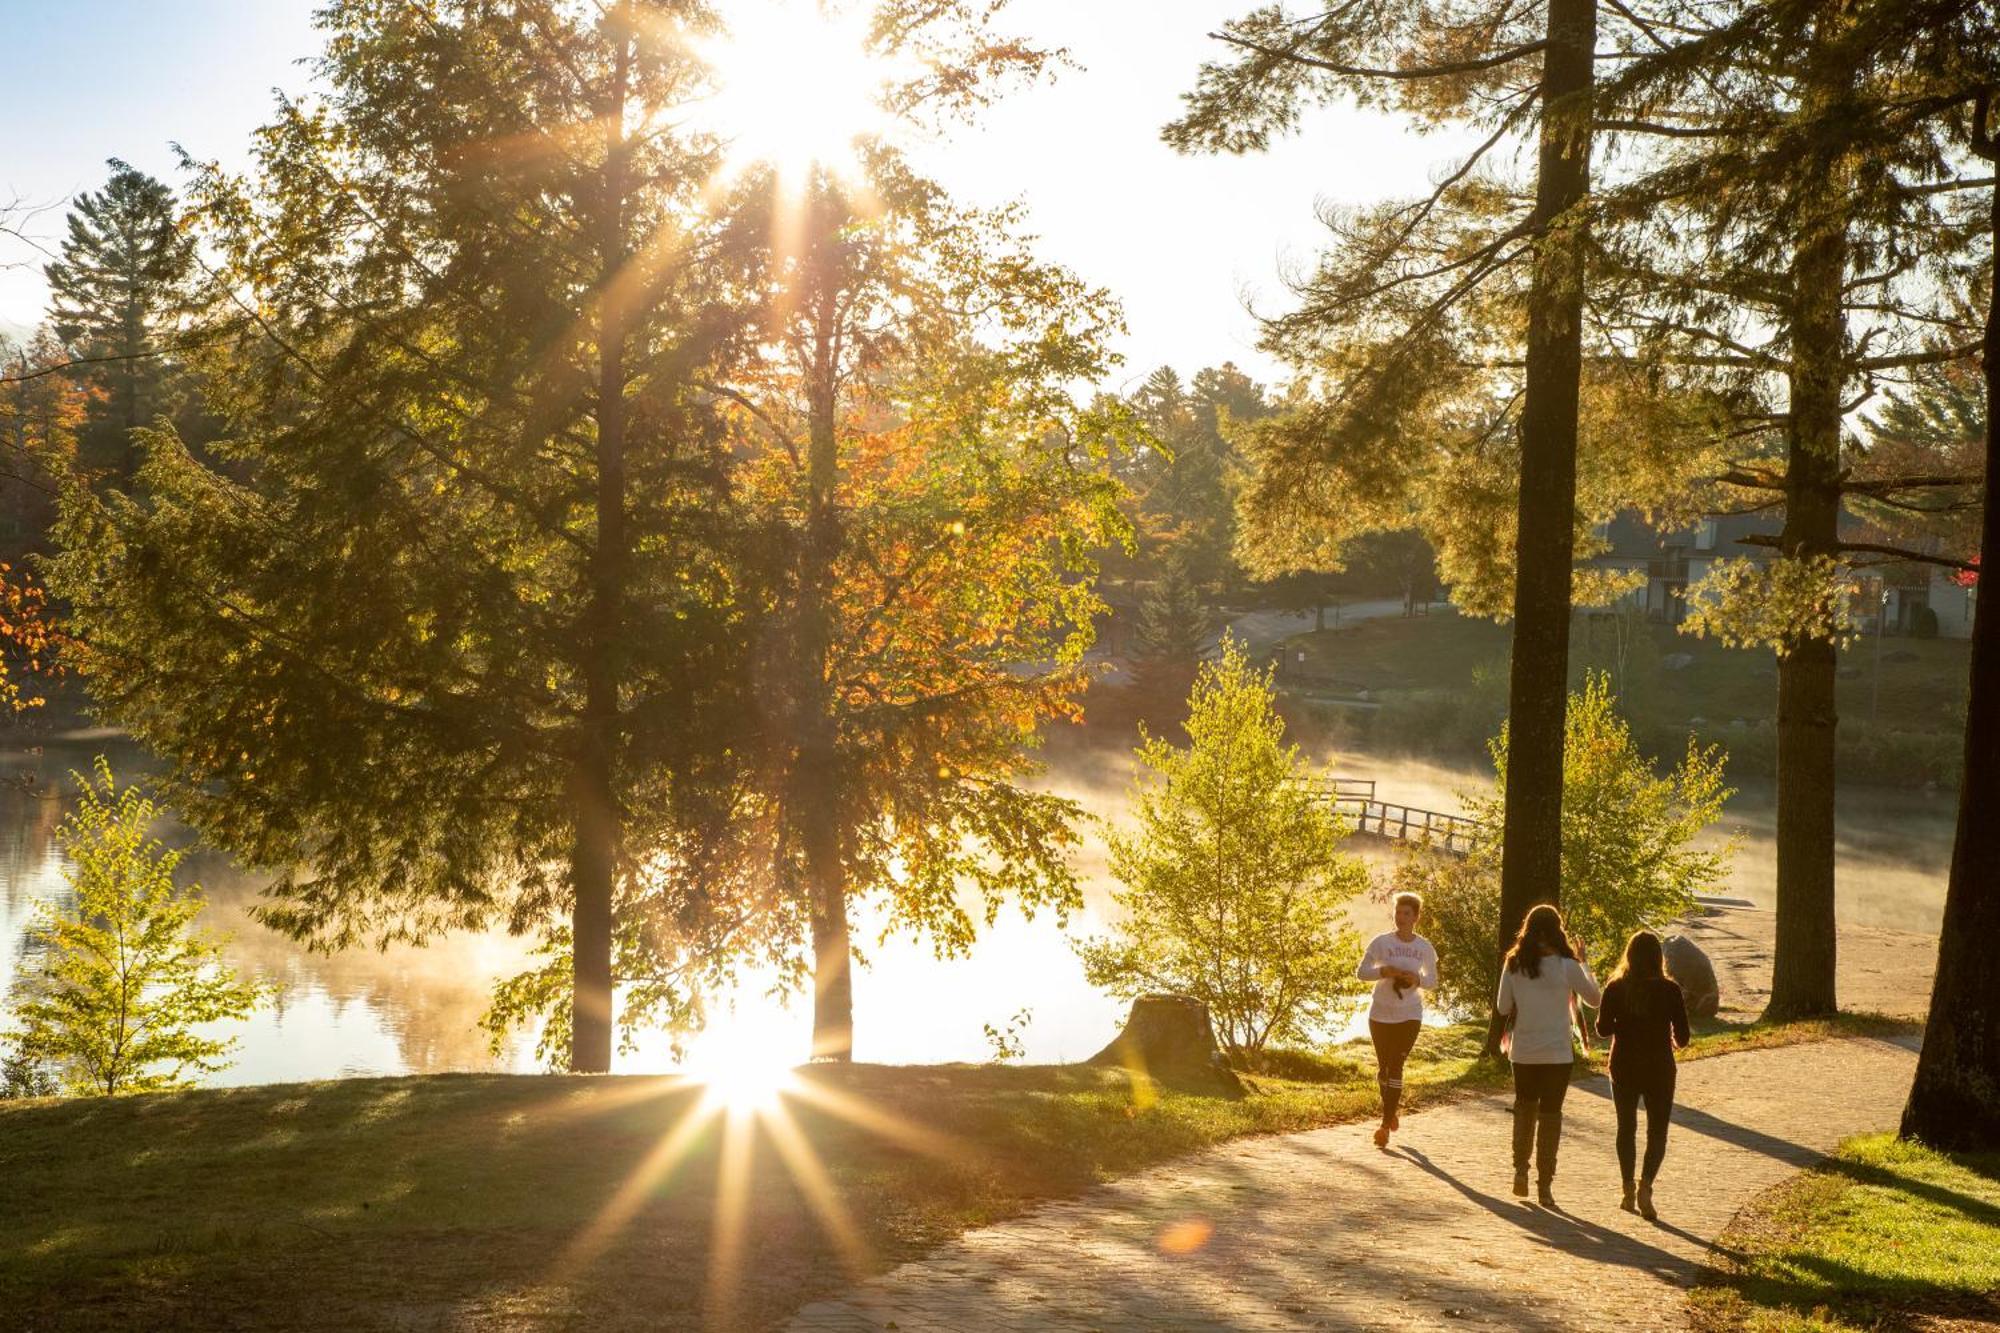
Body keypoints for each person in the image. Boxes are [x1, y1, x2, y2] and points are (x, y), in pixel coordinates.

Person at [1496, 903, 1600, 1206]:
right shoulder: (1567, 966)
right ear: (1558, 930)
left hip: (1524, 1051)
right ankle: (1545, 1185)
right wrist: (1584, 963)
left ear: (1528, 929)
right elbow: (1594, 1000)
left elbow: (1503, 1008)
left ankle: (1520, 1171)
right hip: (1557, 1054)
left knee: (1524, 1108)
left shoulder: (1513, 963)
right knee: (1550, 1116)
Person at [1596, 929, 1690, 1220]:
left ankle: (1626, 1188)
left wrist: (1621, 1023)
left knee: (1626, 1128)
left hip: (1623, 1065)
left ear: (1629, 955)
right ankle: (1646, 1185)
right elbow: (1683, 1037)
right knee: (1657, 1132)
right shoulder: (1670, 990)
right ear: (1657, 958)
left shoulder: (1615, 987)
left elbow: (1602, 1029)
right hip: (1659, 1068)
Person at [1355, 891, 1438, 1148]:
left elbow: (1433, 982)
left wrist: (1417, 980)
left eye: (1406, 914)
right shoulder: (1380, 942)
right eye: (1397, 912)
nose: (1400, 917)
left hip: (1409, 1015)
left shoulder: (1424, 948)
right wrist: (1383, 971)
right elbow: (1361, 972)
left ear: (1416, 917)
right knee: (1384, 1070)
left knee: (1396, 1065)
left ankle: (1384, 1126)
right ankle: (1391, 1110)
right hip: (1380, 1014)